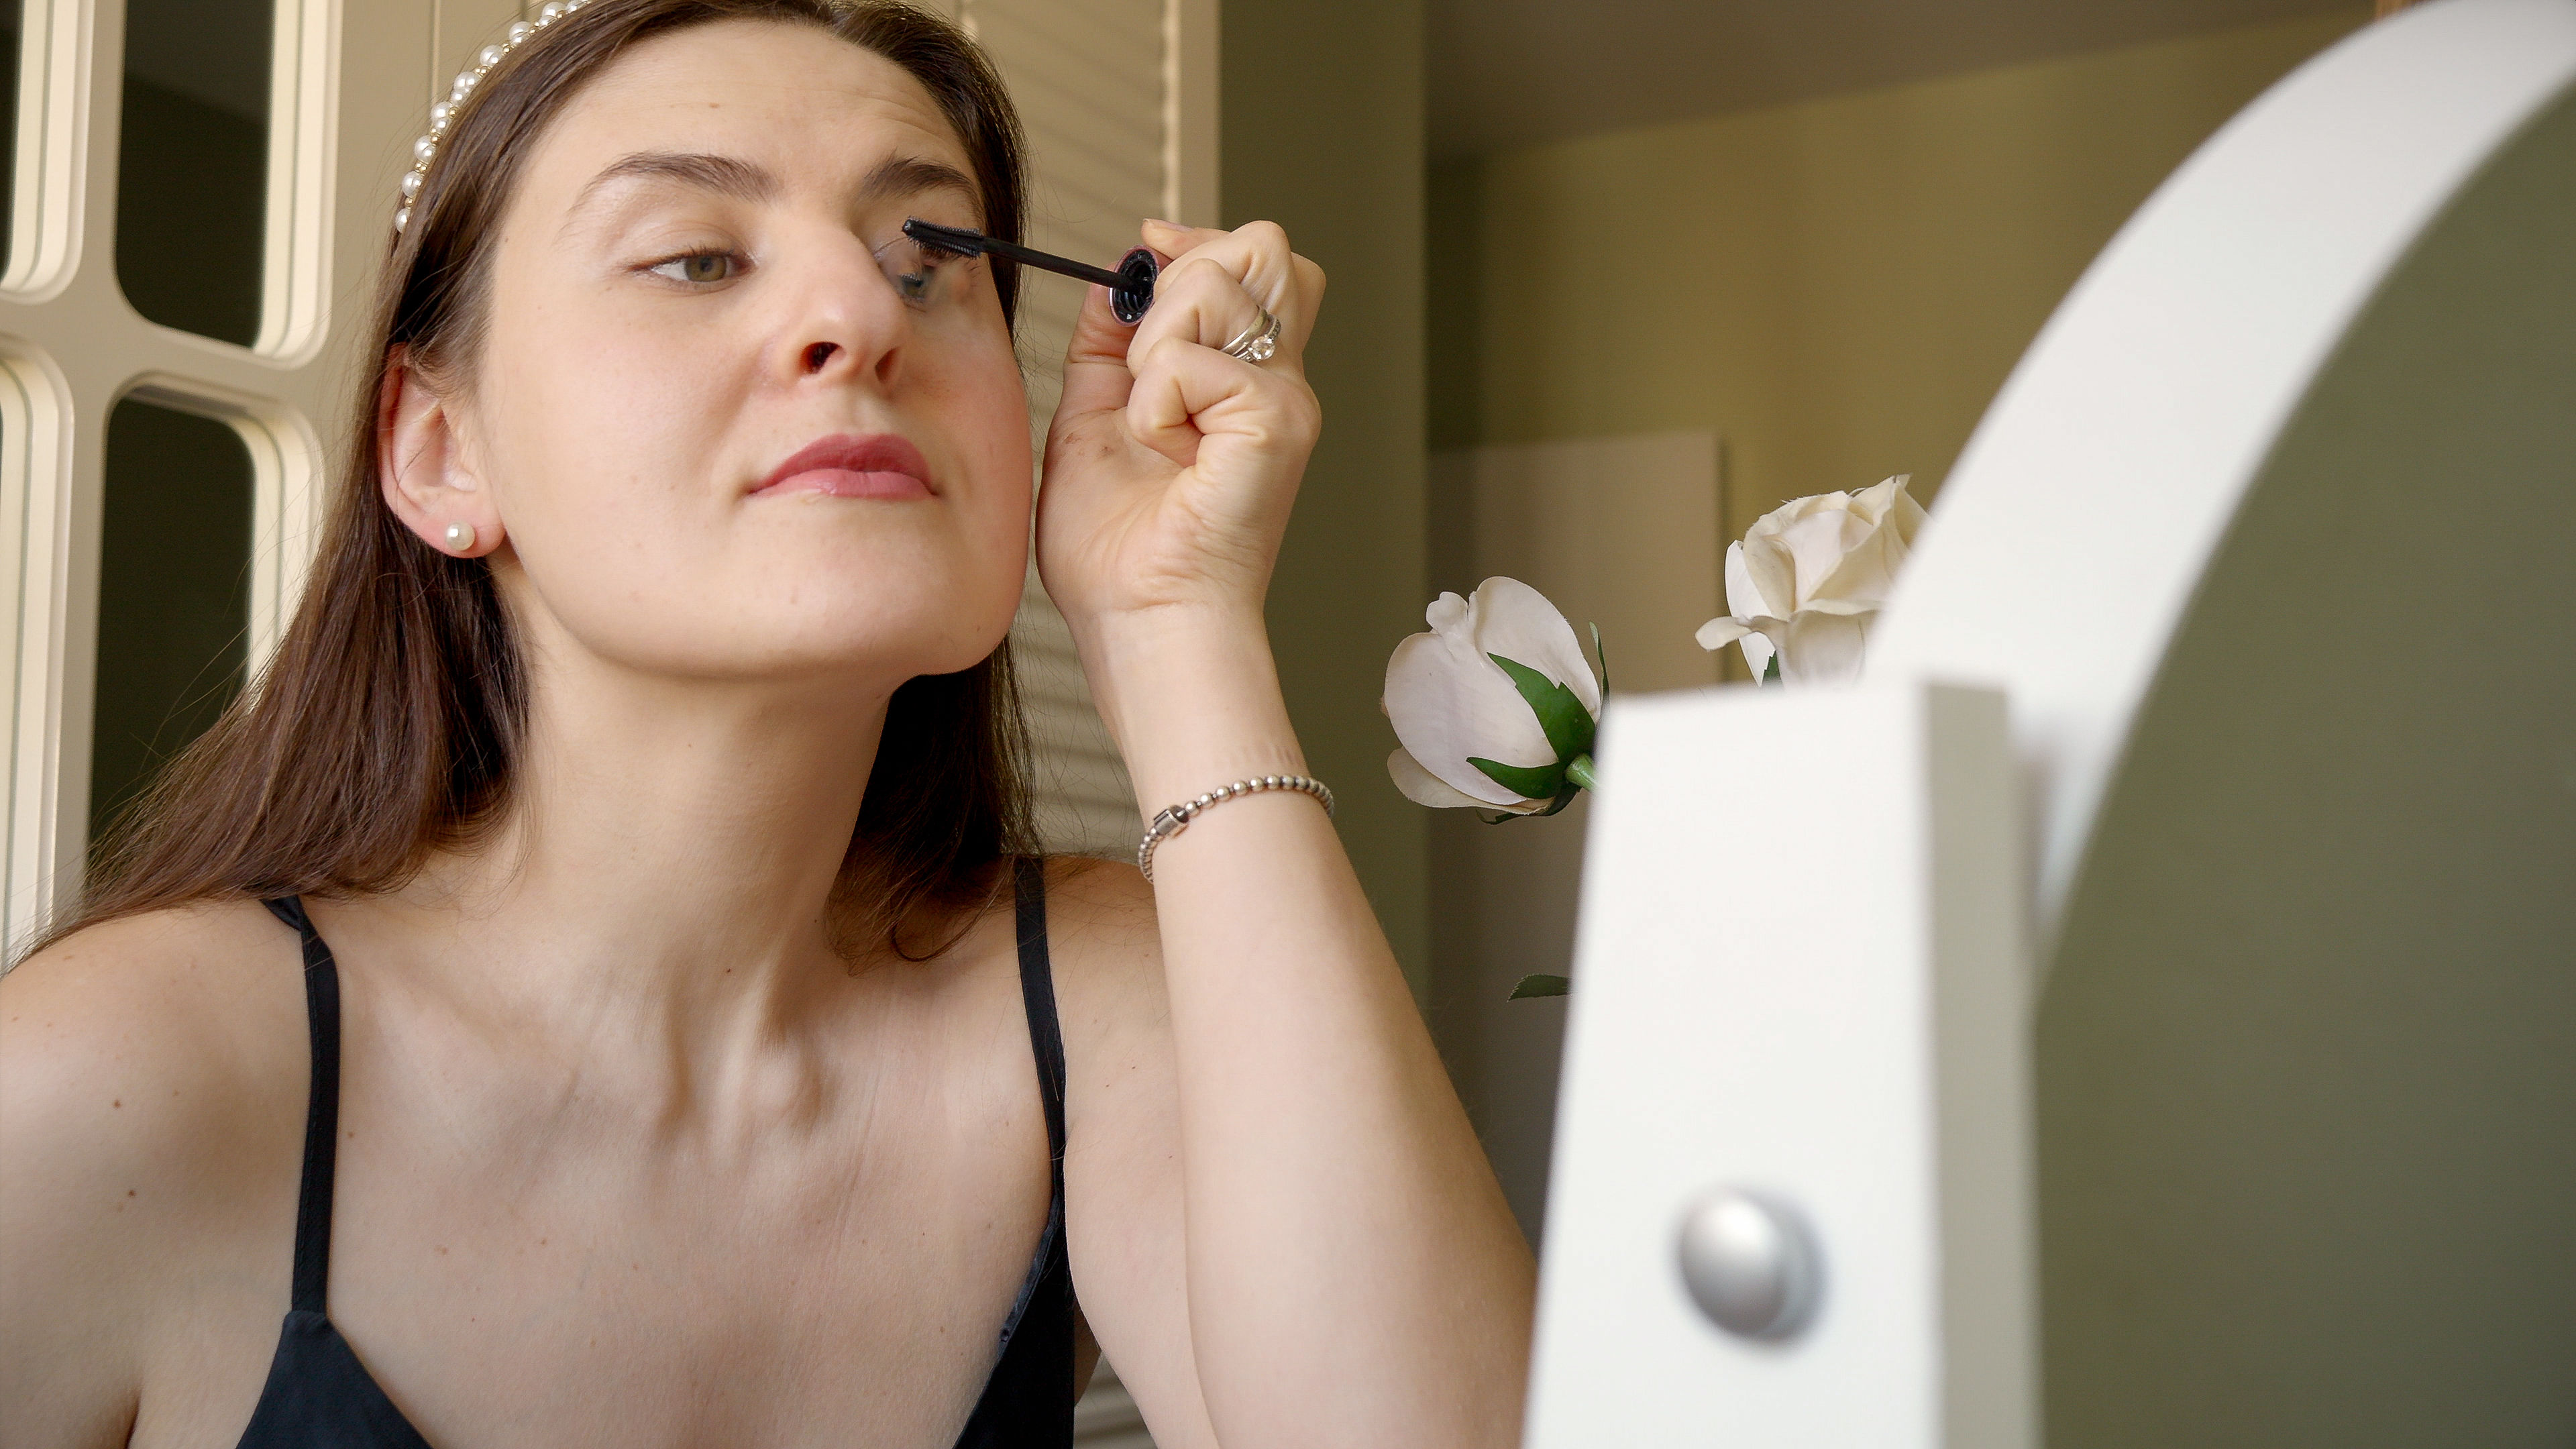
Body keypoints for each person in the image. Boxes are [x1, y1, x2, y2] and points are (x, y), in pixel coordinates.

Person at [0, 1, 1535, 1444]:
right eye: (693, 257)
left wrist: (1176, 620)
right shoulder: (112, 1084)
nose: (863, 311)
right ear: (437, 448)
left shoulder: (1098, 1002)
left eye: (930, 258)